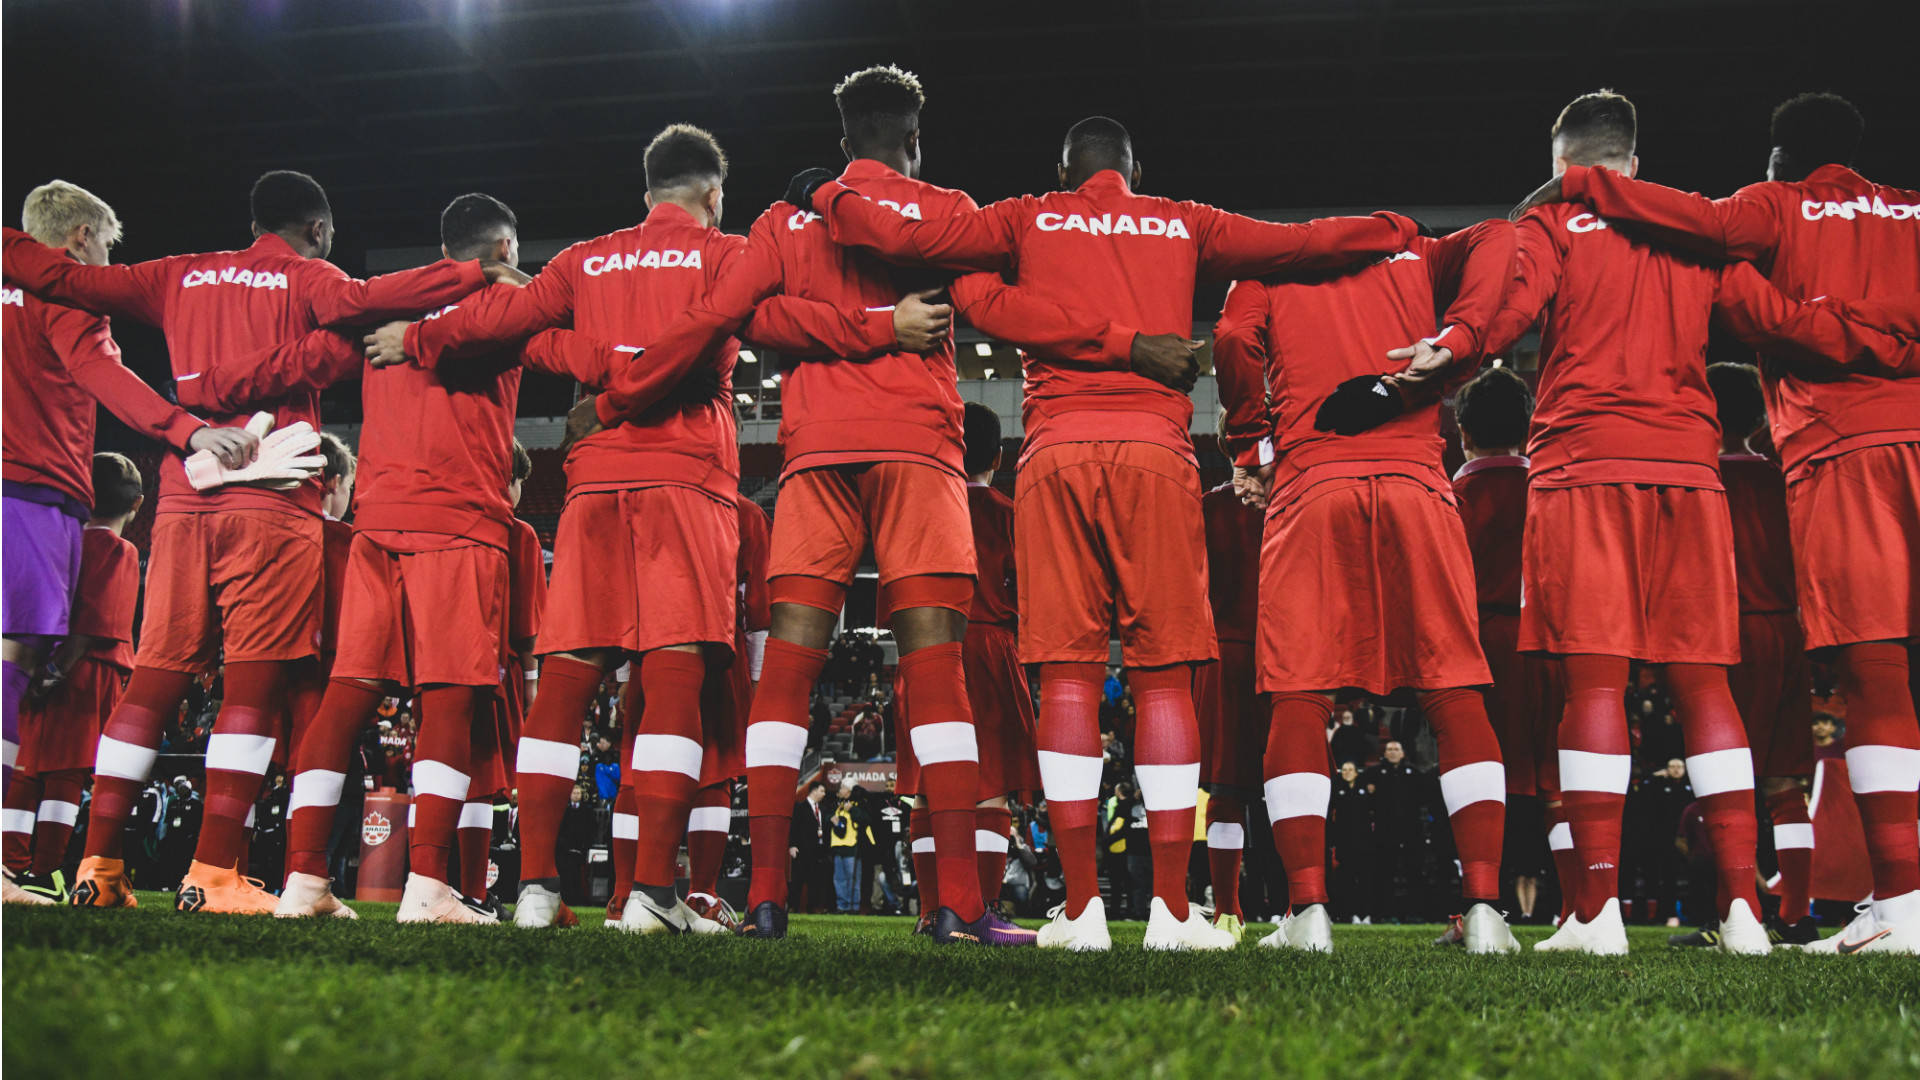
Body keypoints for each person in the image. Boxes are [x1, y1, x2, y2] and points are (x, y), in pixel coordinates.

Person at [795, 114, 1427, 954]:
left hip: (1056, 455)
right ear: (1136, 169)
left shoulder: (1023, 217)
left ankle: (1082, 909)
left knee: (1067, 677)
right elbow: (1301, 246)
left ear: (1064, 171)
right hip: (1158, 460)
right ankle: (1171, 912)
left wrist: (824, 193)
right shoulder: (1182, 219)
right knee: (1164, 678)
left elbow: (951, 273)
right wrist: (1394, 229)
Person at [363, 122, 924, 936]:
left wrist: (418, 336)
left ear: (649, 188)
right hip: (686, 483)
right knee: (672, 682)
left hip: (592, 489)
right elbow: (791, 326)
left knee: (565, 685)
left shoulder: (585, 259)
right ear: (713, 193)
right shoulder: (728, 254)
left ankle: (536, 889)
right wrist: (883, 326)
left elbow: (500, 322)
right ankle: (652, 897)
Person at [1428, 91, 1920, 956]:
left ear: (1561, 171)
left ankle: (1599, 915)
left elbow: (1506, 309)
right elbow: (1777, 321)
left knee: (1596, 689)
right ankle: (1742, 912)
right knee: (1704, 687)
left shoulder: (1550, 228)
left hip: (1586, 468)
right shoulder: (1697, 239)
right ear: (1636, 169)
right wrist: (1885, 346)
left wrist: (1459, 344)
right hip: (1690, 475)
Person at [3, 170, 495, 913]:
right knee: (253, 685)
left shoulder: (177, 274)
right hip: (272, 496)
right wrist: (470, 271)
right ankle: (213, 874)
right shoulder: (311, 277)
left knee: (155, 677)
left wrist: (199, 392)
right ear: (320, 230)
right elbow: (362, 310)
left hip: (181, 495)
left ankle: (96, 868)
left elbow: (59, 277)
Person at [1214, 202, 1518, 953]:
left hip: (1313, 488)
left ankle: (1308, 911)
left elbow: (1228, 339)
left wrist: (1251, 443)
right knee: (1453, 689)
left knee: (1298, 693)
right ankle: (1483, 909)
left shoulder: (1271, 265)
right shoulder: (1416, 249)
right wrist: (1456, 341)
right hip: (1418, 486)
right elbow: (1501, 236)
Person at [272, 192, 528, 925]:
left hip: (377, 524)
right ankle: (427, 888)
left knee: (344, 699)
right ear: (503, 249)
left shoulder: (382, 321)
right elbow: (549, 307)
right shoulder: (496, 308)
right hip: (458, 524)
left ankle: (303, 883)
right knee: (449, 700)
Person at [1, 181, 257, 798]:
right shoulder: (62, 292)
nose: (108, 268)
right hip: (28, 488)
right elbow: (98, 371)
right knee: (13, 658)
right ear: (82, 239)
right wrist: (185, 429)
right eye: (107, 250)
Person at [1451, 366, 1569, 924]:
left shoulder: (1453, 494)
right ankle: (1581, 908)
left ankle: (1481, 907)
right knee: (1555, 775)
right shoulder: (1550, 485)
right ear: (1528, 428)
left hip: (1480, 644)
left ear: (1463, 433)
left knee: (1479, 769)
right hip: (1549, 641)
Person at [1707, 361, 1820, 945]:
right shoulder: (1781, 474)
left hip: (1731, 633)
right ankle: (1796, 914)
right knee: (1784, 782)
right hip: (1788, 629)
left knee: (1725, 778)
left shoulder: (1703, 477)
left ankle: (1736, 911)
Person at [2, 453, 144, 905]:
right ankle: (46, 872)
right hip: (87, 670)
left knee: (26, 767)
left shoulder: (63, 540)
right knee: (67, 771)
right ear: (137, 505)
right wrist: (61, 670)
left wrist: (42, 668)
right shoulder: (120, 551)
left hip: (33, 659)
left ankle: (10, 863)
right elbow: (94, 620)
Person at [459, 439, 547, 920]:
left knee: (446, 774)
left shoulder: (452, 526)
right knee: (486, 779)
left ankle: (434, 880)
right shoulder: (520, 535)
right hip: (500, 667)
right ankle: (473, 890)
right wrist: (531, 680)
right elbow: (529, 624)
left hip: (442, 665)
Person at [1192, 410, 1267, 942]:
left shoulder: (1204, 508)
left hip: (1220, 657)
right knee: (1287, 782)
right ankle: (1301, 908)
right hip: (1281, 656)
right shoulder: (1292, 502)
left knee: (1226, 788)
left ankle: (1228, 911)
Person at [790, 781, 831, 914]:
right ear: (813, 791)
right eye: (822, 791)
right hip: (802, 850)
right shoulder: (800, 807)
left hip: (818, 851)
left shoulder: (823, 809)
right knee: (798, 880)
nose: (824, 794)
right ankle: (793, 907)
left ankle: (812, 908)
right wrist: (792, 845)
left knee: (815, 881)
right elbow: (793, 827)